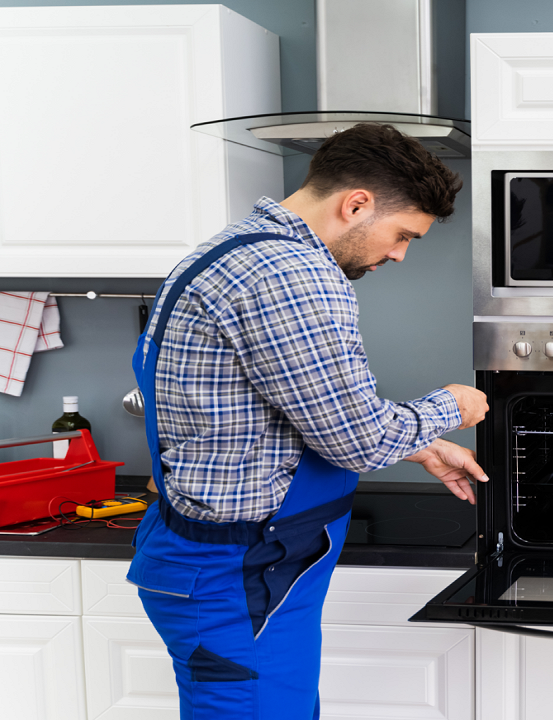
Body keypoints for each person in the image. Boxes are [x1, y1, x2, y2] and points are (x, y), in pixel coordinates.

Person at [127, 123, 489, 719]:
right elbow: (357, 439)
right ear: (356, 204)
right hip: (236, 573)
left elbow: (283, 412)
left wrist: (419, 446)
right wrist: (451, 405)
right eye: (402, 235)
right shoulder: (289, 274)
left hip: (246, 569)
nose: (398, 254)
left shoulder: (241, 248)